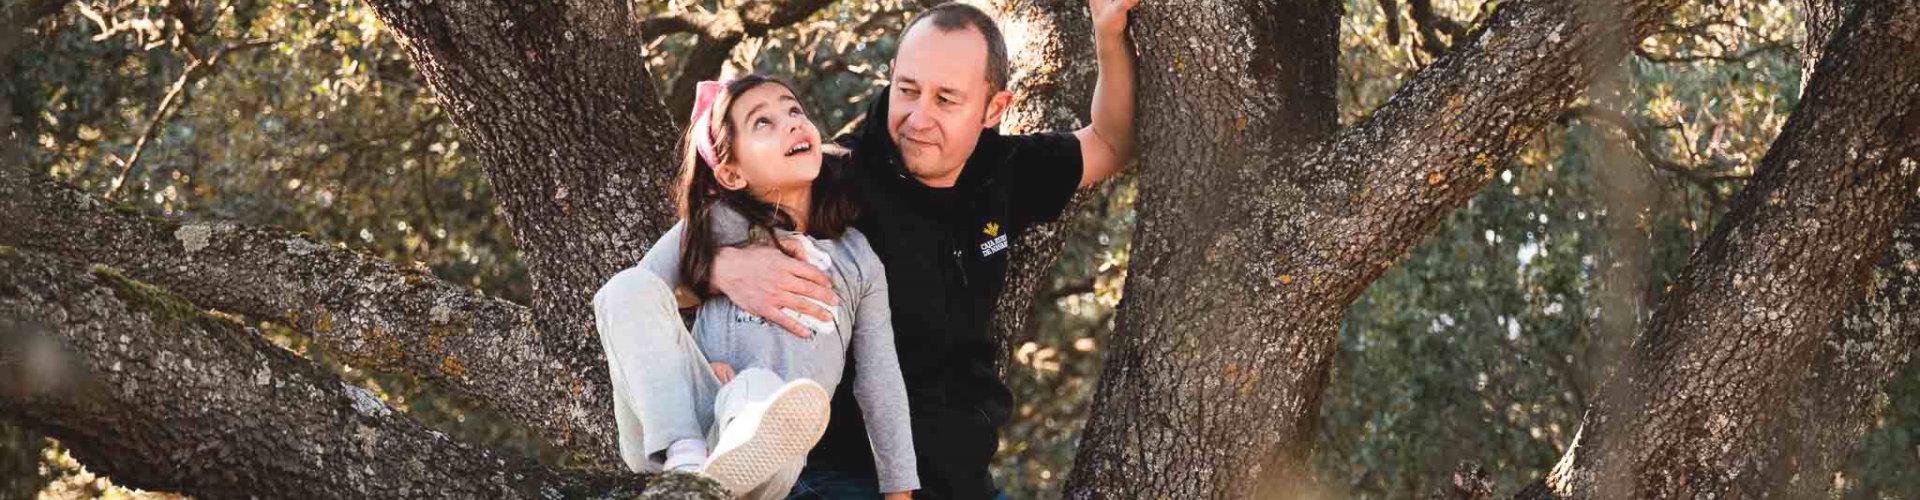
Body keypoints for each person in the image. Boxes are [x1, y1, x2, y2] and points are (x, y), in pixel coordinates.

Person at [706, 2, 1140, 498]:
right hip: (844, 477)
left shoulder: (1004, 171)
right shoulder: (830, 179)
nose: (918, 117)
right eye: (907, 90)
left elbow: (1110, 142)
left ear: (994, 109)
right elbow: (665, 273)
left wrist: (1109, 35)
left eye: (946, 100)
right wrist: (722, 266)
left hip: (962, 481)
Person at [593, 75, 918, 500]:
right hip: (683, 415)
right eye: (762, 123)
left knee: (760, 391)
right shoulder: (711, 224)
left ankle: (718, 476)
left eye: (794, 110)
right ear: (730, 173)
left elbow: (881, 381)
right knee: (625, 286)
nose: (791, 123)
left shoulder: (858, 258)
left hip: (773, 444)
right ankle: (685, 463)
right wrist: (690, 364)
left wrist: (899, 492)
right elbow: (632, 302)